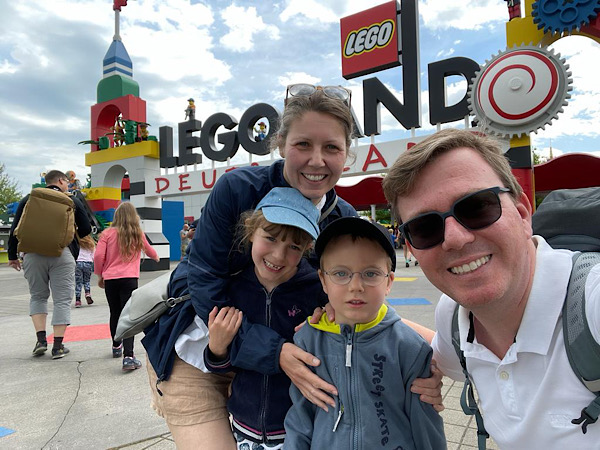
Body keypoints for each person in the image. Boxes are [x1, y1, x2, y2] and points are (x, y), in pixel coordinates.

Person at [143, 84, 442, 449]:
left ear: (347, 155)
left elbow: (361, 299)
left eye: (331, 147)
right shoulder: (236, 190)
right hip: (203, 343)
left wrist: (428, 361)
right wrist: (272, 351)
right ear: (281, 143)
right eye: (303, 144)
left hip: (279, 371)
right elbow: (204, 282)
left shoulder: (342, 221)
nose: (317, 161)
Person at [382, 128, 600, 448]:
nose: (455, 238)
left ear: (523, 214)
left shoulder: (592, 304)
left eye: (476, 207)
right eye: (424, 227)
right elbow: (439, 351)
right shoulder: (453, 315)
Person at [283, 217, 446, 448]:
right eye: (340, 273)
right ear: (323, 280)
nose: (356, 286)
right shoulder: (308, 341)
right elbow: (300, 418)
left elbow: (425, 424)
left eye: (370, 274)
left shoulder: (409, 347)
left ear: (389, 282)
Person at [204, 187, 327, 448]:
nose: (278, 255)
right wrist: (216, 349)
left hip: (301, 429)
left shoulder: (317, 291)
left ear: (307, 247)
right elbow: (223, 368)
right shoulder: (233, 290)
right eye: (270, 238)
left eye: (294, 246)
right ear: (250, 231)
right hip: (244, 428)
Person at [8, 170, 92, 358]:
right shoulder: (71, 200)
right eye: (67, 182)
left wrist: (13, 255)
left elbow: (16, 228)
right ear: (61, 181)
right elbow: (86, 228)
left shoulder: (29, 198)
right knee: (62, 299)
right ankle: (58, 346)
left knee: (37, 296)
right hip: (62, 253)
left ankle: (41, 340)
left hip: (31, 253)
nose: (68, 186)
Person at [94, 202, 159, 371]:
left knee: (115, 312)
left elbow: (99, 256)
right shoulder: (137, 233)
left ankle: (116, 345)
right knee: (129, 314)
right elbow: (150, 250)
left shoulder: (107, 233)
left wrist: (100, 274)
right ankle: (129, 356)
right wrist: (156, 258)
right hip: (130, 279)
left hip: (110, 279)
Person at [74, 235, 96, 307]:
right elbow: (94, 255)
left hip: (78, 262)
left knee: (78, 282)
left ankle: (78, 300)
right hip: (88, 263)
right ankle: (87, 293)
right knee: (87, 280)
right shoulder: (90, 244)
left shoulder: (77, 243)